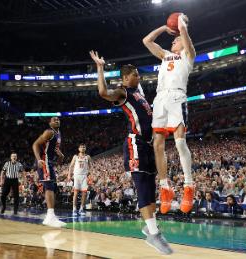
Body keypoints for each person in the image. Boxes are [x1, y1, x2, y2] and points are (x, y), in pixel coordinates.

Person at [89, 50, 173, 254]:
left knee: (150, 188)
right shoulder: (122, 91)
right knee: (143, 187)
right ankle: (154, 234)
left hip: (148, 144)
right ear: (125, 78)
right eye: (135, 74)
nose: (139, 76)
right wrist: (100, 68)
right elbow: (103, 92)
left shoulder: (140, 94)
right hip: (135, 143)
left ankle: (150, 226)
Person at [143, 13, 196, 214]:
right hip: (160, 99)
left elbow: (187, 42)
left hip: (177, 98)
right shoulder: (165, 55)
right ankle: (165, 188)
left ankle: (189, 185)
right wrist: (164, 28)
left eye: (176, 39)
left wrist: (182, 26)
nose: (173, 41)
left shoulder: (188, 55)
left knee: (180, 142)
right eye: (173, 39)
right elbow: (146, 40)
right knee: (157, 144)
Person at [32, 117, 66, 228]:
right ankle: (50, 216)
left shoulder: (58, 133)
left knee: (53, 187)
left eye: (58, 119)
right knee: (49, 187)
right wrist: (38, 160)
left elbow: (54, 150)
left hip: (49, 161)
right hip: (43, 160)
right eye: (54, 120)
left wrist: (60, 155)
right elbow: (35, 144)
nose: (57, 121)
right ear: (50, 123)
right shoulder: (49, 132)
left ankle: (51, 216)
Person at [69, 143, 91, 215]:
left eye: (84, 147)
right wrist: (69, 175)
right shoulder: (75, 157)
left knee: (84, 193)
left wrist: (89, 173)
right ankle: (74, 209)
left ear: (85, 148)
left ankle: (81, 208)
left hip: (84, 176)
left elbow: (90, 166)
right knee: (75, 193)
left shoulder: (88, 157)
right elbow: (71, 166)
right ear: (79, 149)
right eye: (81, 147)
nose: (83, 148)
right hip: (77, 176)